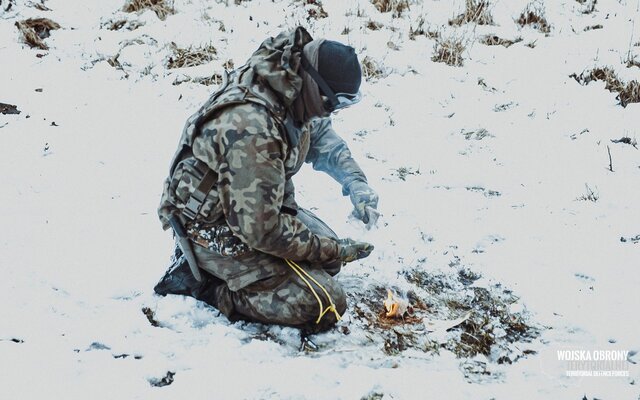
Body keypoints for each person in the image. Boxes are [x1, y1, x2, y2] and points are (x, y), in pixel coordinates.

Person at [154, 27, 379, 332]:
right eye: (335, 102)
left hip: (250, 207)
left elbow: (320, 135)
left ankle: (248, 274)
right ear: (318, 90)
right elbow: (263, 231)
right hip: (209, 224)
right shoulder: (254, 128)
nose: (334, 110)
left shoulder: (290, 83)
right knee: (324, 301)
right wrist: (330, 249)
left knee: (328, 263)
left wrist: (355, 182)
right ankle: (206, 284)